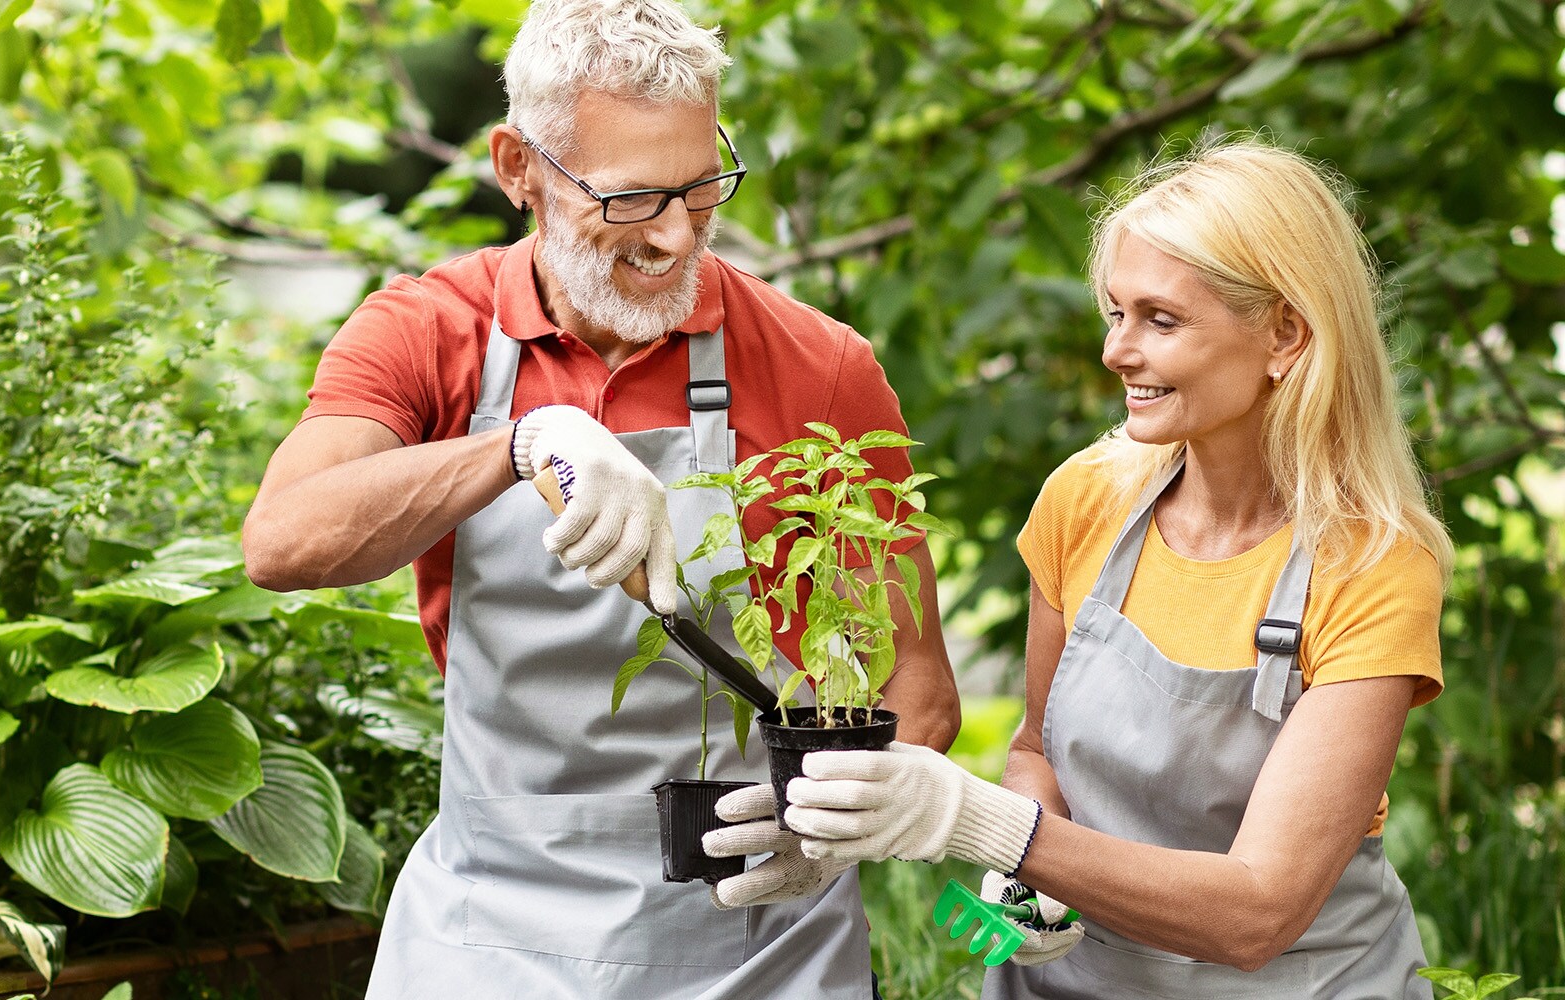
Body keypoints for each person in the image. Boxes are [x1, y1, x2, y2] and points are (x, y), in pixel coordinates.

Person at [241, 1, 962, 996]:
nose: (675, 234)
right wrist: (518, 443)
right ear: (517, 167)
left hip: (754, 938)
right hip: (489, 933)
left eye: (701, 186)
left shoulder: (818, 369)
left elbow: (916, 693)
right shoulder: (427, 333)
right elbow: (283, 541)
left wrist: (828, 835)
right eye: (631, 199)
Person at [758, 140, 1451, 998]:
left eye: (1161, 320)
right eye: (1115, 313)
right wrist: (1026, 876)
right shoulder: (1088, 498)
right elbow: (1035, 750)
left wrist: (985, 823)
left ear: (1285, 334)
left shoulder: (1371, 567)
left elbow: (1258, 913)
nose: (1117, 352)